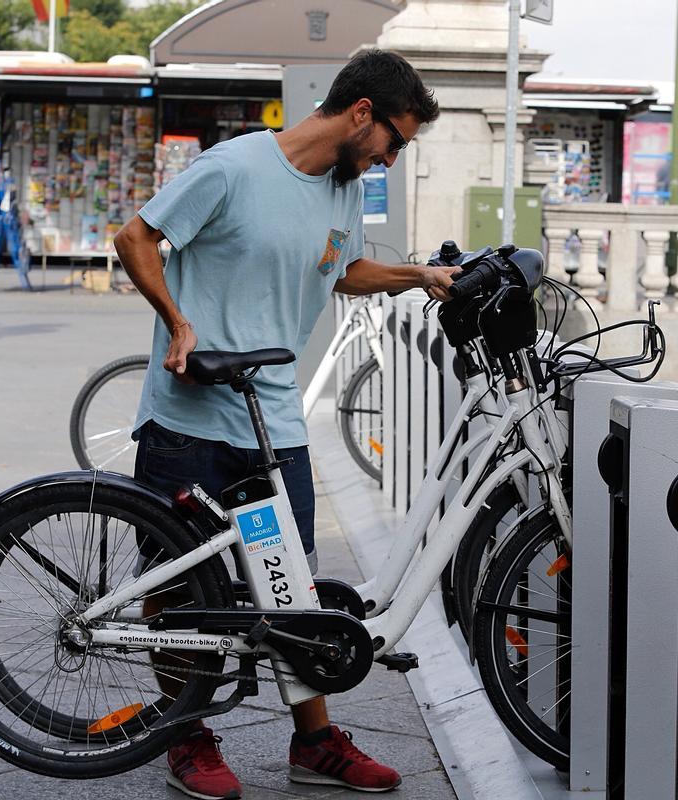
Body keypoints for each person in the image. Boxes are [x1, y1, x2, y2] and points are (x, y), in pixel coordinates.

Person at [113, 50, 454, 800]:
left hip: (274, 424)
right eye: (395, 141)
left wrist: (419, 275)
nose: (393, 159)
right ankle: (186, 734)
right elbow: (135, 238)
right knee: (178, 592)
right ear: (360, 112)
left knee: (288, 590)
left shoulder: (345, 186)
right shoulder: (233, 169)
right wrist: (176, 320)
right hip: (188, 421)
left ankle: (316, 744)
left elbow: (339, 271)